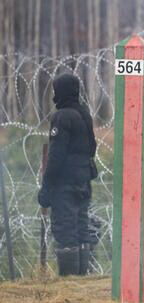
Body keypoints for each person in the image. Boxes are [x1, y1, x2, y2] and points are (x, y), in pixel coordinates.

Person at [38, 73, 98, 276]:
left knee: (65, 230)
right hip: (83, 179)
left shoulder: (62, 116)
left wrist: (46, 187)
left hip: (65, 183)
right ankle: (81, 279)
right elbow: (92, 146)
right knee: (81, 227)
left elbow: (56, 155)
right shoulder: (84, 114)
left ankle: (69, 281)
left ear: (60, 92)